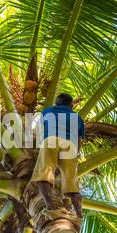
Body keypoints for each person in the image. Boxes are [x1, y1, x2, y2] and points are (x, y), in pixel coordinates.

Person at [30, 93, 85, 221]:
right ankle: (79, 215)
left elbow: (41, 129)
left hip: (51, 140)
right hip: (70, 146)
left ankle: (51, 207)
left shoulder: (47, 111)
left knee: (44, 176)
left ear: (56, 103)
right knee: (72, 186)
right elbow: (78, 140)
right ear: (71, 105)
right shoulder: (77, 117)